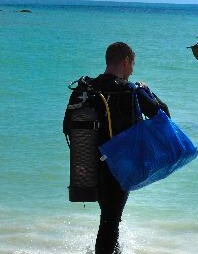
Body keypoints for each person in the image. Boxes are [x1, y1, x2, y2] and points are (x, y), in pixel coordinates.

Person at [67, 42, 170, 253]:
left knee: (109, 217)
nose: (132, 70)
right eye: (132, 64)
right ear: (125, 61)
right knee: (110, 222)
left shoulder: (86, 88)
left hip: (88, 162)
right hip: (117, 167)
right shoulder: (130, 90)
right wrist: (147, 90)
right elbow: (164, 115)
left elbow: (67, 127)